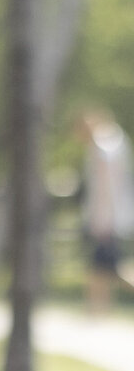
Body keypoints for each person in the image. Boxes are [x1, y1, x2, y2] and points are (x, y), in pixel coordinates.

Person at [75, 109, 134, 314]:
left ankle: (95, 310)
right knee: (101, 267)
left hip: (108, 217)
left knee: (111, 267)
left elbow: (105, 186)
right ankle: (97, 310)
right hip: (115, 215)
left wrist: (102, 219)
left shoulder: (102, 146)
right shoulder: (116, 140)